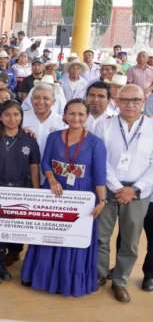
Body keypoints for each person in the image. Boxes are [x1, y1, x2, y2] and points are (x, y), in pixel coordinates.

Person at [21, 99, 107, 297]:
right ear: (65, 115)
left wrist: (102, 201)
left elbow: (100, 176)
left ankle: (68, 283)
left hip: (81, 195)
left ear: (86, 117)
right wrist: (51, 180)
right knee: (48, 236)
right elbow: (45, 163)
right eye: (72, 113)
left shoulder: (96, 143)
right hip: (54, 192)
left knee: (73, 240)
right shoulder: (53, 137)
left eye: (81, 114)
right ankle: (40, 277)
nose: (76, 118)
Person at [94, 84, 153, 302]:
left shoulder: (151, 126)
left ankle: (120, 281)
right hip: (109, 189)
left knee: (130, 241)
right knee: (101, 236)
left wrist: (135, 189)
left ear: (143, 101)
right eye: (125, 100)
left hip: (139, 192)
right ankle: (99, 275)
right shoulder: (104, 125)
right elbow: (100, 161)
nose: (130, 104)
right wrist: (118, 187)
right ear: (116, 101)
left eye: (135, 100)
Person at [0, 100, 40, 284]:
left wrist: (36, 191)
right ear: (0, 117)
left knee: (6, 230)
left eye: (16, 114)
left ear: (21, 116)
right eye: (7, 115)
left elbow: (34, 167)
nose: (12, 119)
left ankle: (0, 263)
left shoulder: (29, 139)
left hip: (19, 190)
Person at [22, 82, 66, 156]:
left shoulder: (62, 122)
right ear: (31, 100)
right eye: (36, 98)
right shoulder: (20, 118)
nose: (41, 102)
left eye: (46, 98)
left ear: (53, 102)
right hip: (25, 165)